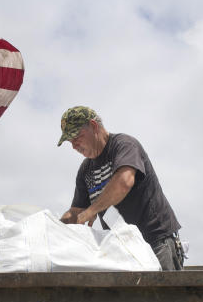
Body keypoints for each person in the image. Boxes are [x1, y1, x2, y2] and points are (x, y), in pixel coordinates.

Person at [57, 106, 184, 270]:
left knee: (162, 295)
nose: (74, 146)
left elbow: (124, 182)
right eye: (70, 141)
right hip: (122, 251)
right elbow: (76, 213)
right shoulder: (85, 171)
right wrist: (54, 229)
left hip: (156, 242)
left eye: (77, 137)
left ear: (94, 126)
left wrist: (92, 210)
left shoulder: (124, 145)